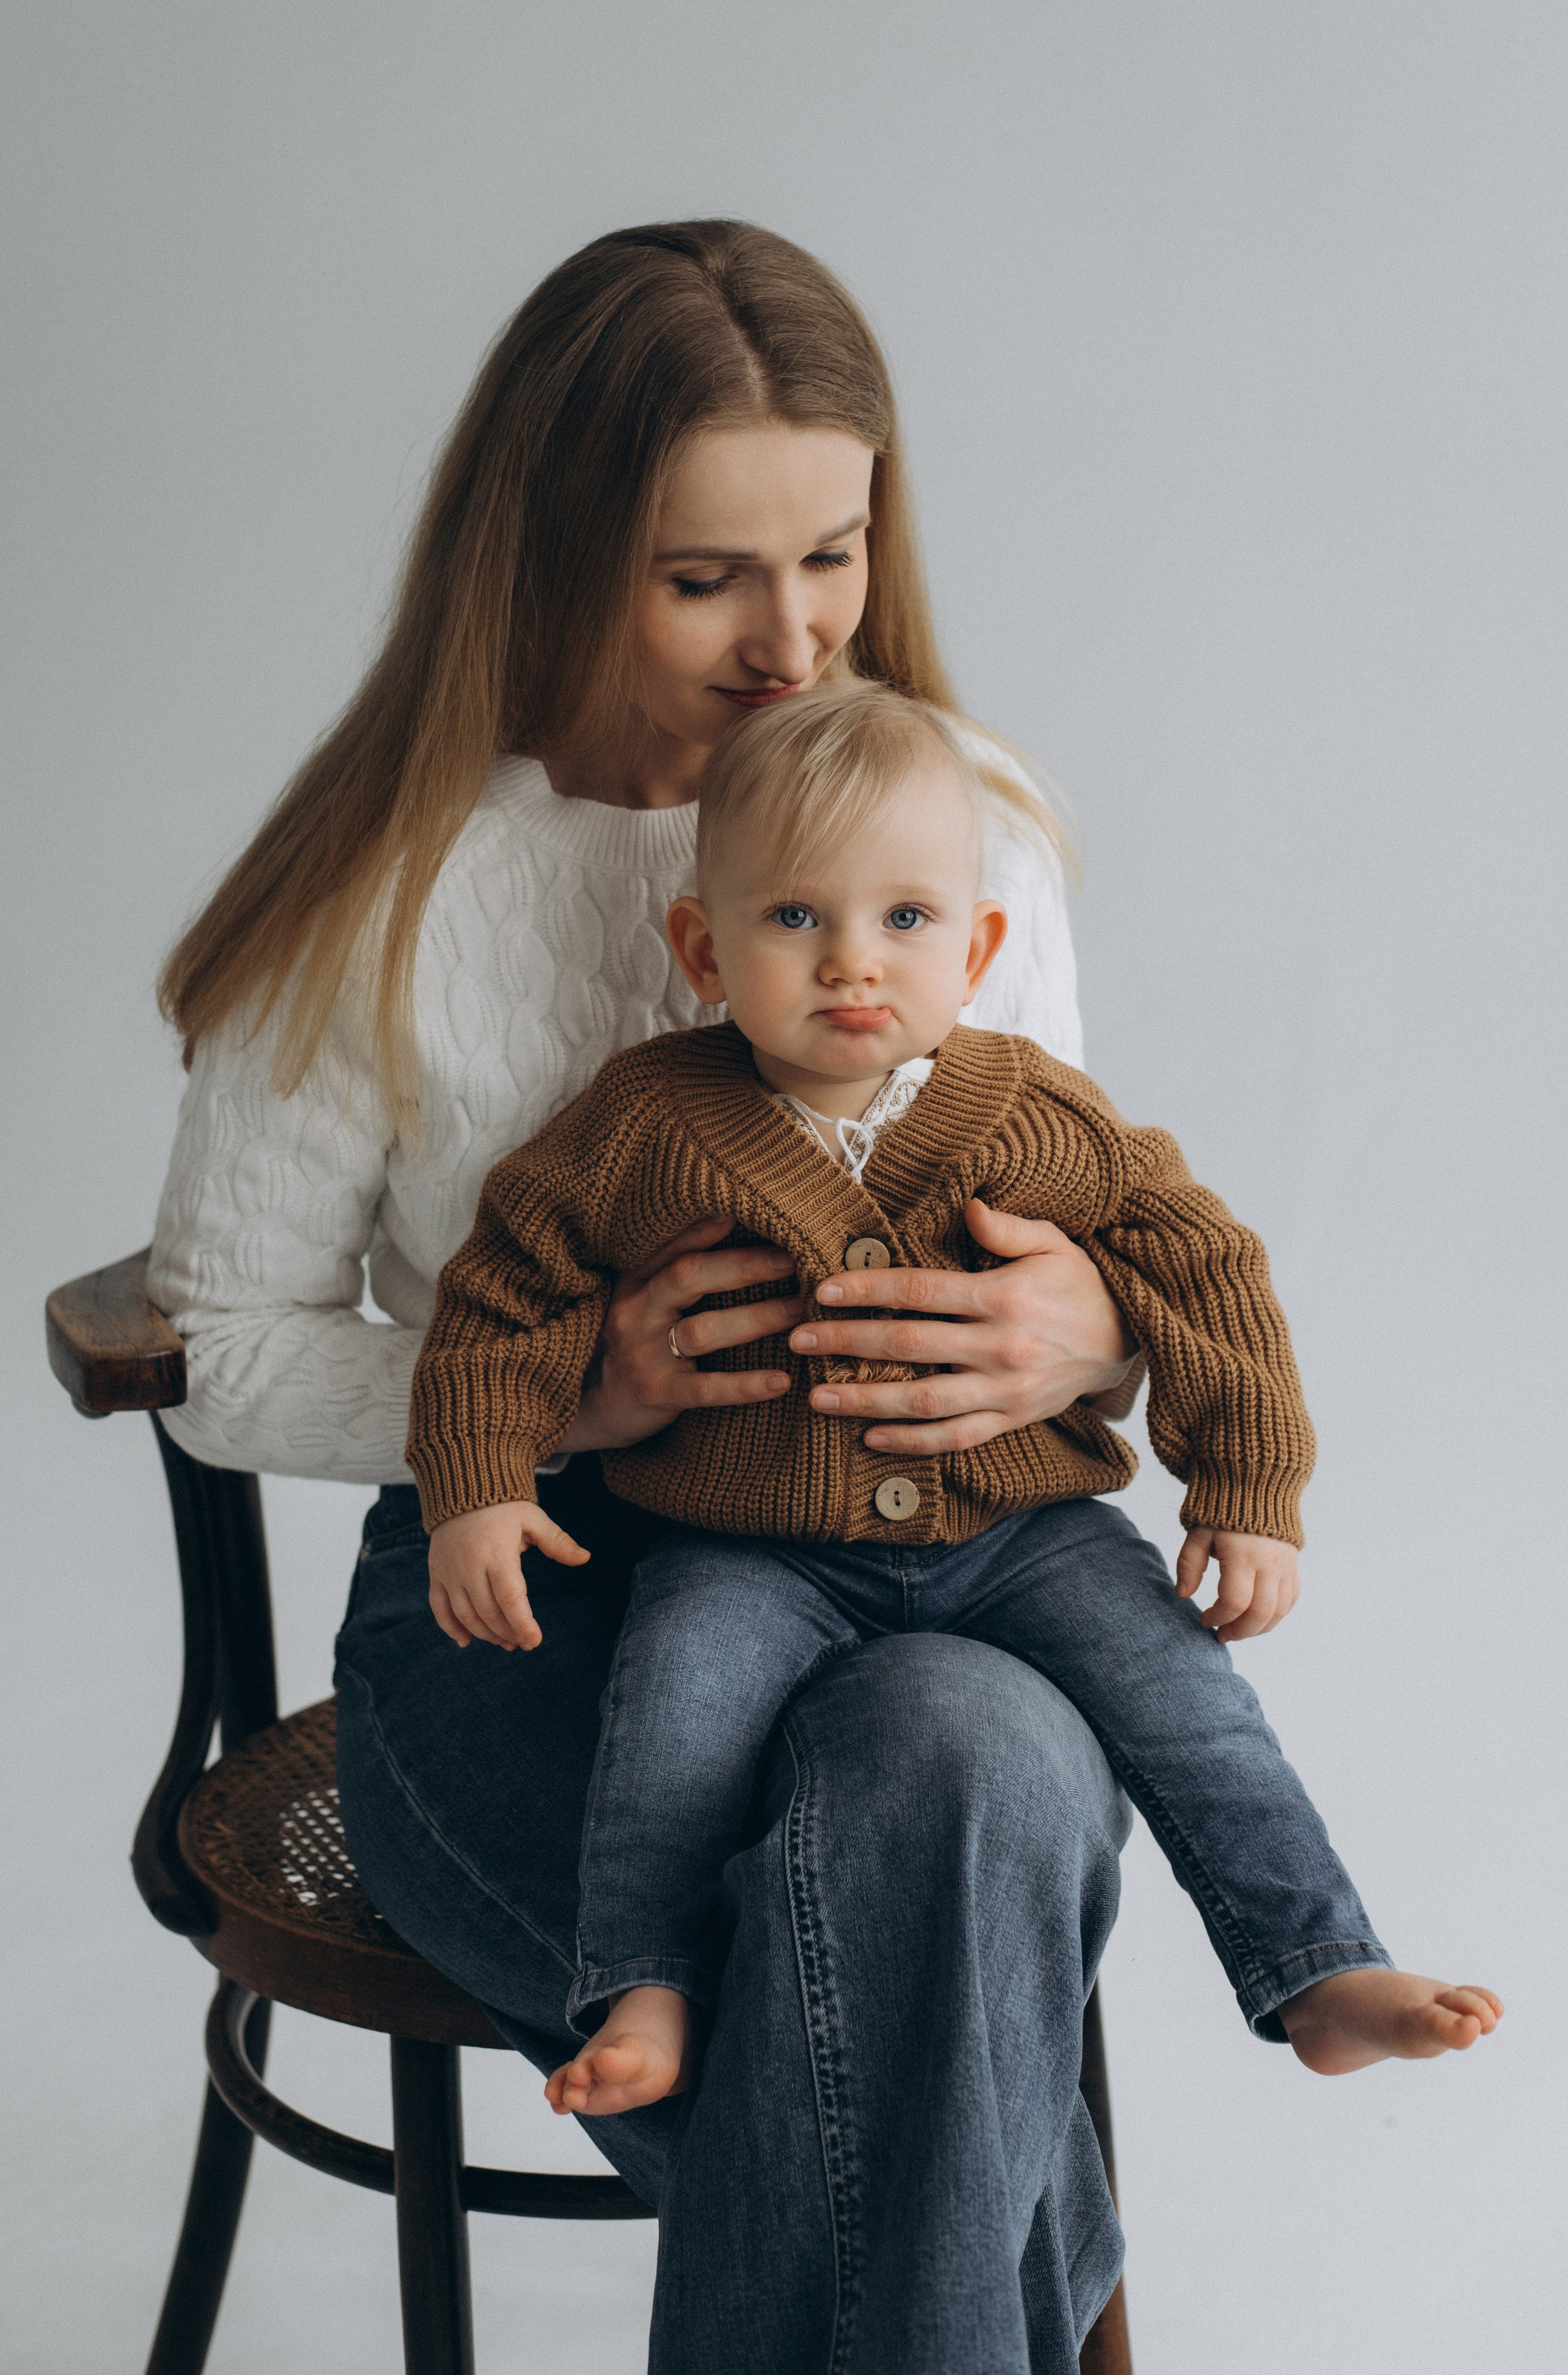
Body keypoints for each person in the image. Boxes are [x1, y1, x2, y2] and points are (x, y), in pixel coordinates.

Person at [146, 219, 1271, 2369]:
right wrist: (559, 1390)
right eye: (706, 575)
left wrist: (1092, 1331)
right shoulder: (389, 892)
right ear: (556, 549)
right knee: (899, 1935)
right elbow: (211, 1344)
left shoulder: (969, 826)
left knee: (958, 1774)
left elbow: (1094, 1208)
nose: (794, 636)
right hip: (535, 1629)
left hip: (941, 1581)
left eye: (833, 555)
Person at [408, 683, 1501, 2121]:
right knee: (668, 1718)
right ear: (702, 946)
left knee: (1187, 1704)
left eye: (905, 920)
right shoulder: (647, 1122)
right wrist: (477, 1484)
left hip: (1021, 1533)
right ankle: (645, 1982)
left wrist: (1245, 1493)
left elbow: (1202, 1271)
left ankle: (1314, 1965)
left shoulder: (1032, 1110)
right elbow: (501, 1299)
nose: (852, 962)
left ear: (978, 946)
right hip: (749, 1548)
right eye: (795, 918)